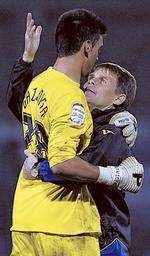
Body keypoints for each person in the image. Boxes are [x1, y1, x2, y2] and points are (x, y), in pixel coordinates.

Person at [8, 12, 143, 256]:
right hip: (68, 226)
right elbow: (65, 162)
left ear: (119, 99)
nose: (91, 80)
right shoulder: (72, 100)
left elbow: (84, 158)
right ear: (87, 48)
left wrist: (39, 167)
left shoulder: (43, 84)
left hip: (98, 232)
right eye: (93, 76)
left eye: (102, 80)